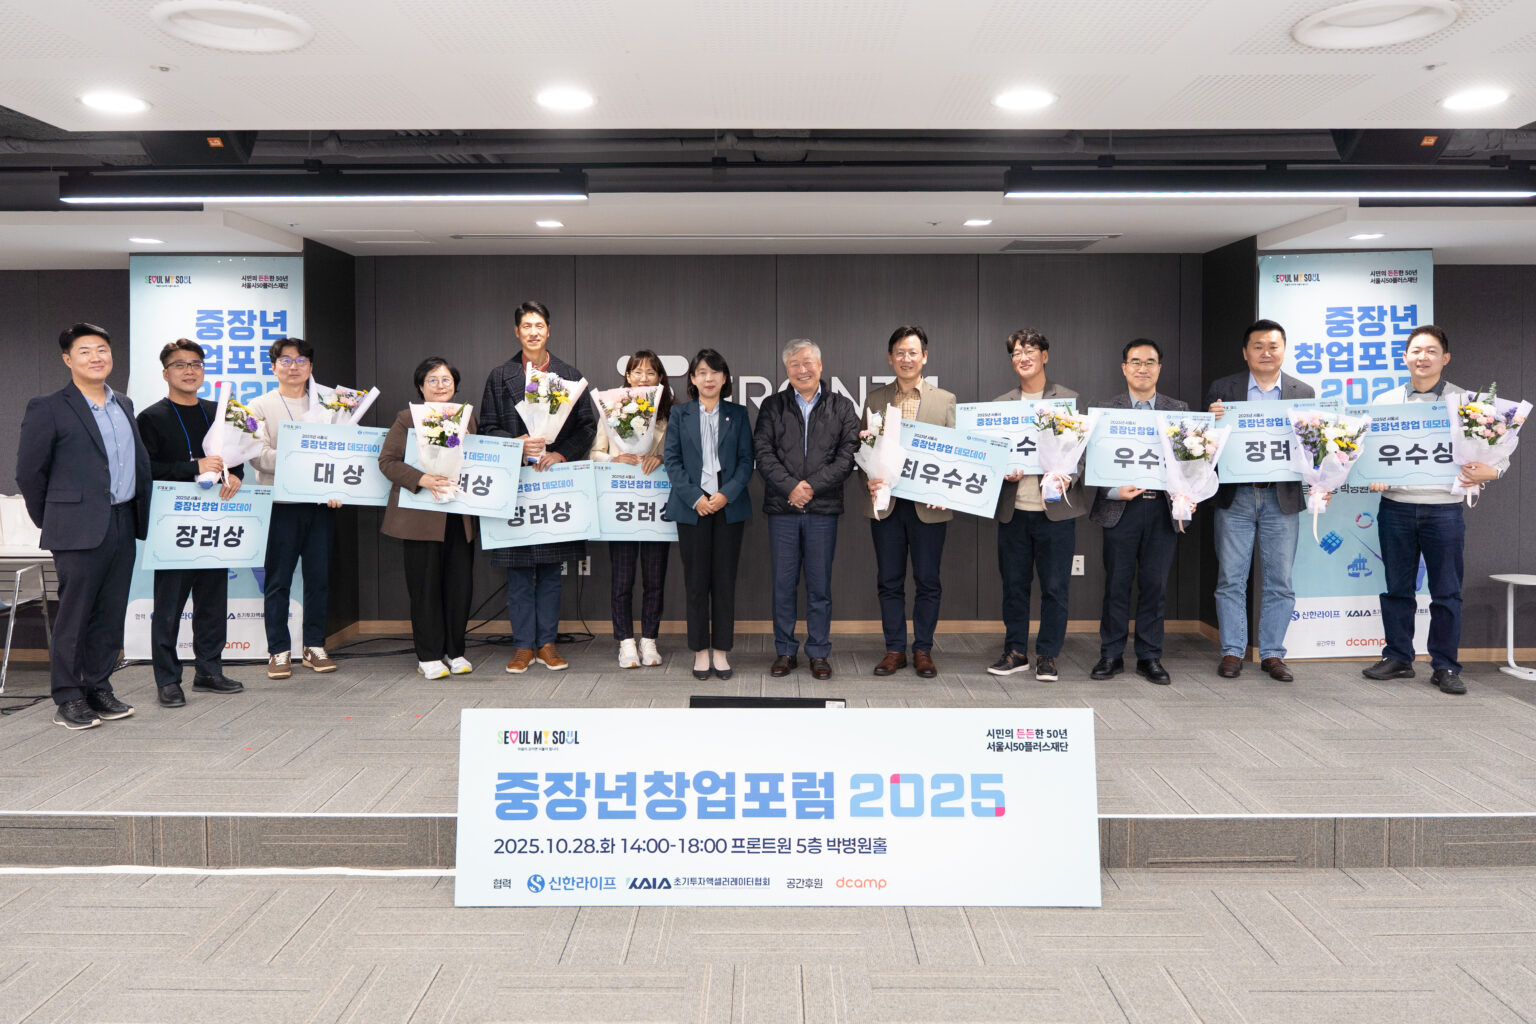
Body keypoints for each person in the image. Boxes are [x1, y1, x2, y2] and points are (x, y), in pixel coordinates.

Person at [16, 323, 151, 729]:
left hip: (123, 520)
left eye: (102, 349)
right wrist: (55, 520)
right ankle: (67, 696)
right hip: (76, 528)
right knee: (75, 615)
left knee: (110, 613)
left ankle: (97, 686)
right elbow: (29, 473)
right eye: (85, 351)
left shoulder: (123, 403)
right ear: (67, 359)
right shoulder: (48, 406)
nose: (96, 357)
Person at [1362, 324, 1504, 695]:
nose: (1422, 357)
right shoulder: (1385, 401)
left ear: (1445, 358)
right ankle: (1398, 657)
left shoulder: (1468, 404)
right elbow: (1365, 451)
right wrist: (1373, 473)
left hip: (1444, 511)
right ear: (1405, 357)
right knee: (1397, 589)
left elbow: (1496, 454)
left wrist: (1490, 471)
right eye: (1416, 351)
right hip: (1396, 507)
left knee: (1446, 592)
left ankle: (1445, 666)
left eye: (1431, 351)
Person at [479, 300, 596, 673]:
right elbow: (487, 427)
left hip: (555, 482)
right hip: (515, 483)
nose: (533, 332)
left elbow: (587, 427)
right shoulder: (500, 376)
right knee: (517, 572)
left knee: (550, 570)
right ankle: (521, 646)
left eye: (539, 325)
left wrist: (561, 453)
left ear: (548, 331)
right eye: (526, 326)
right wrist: (516, 444)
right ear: (517, 331)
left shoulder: (569, 375)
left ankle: (546, 643)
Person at [135, 338, 246, 708]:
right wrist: (192, 467)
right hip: (173, 525)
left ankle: (209, 671)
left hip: (216, 521)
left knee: (213, 600)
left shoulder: (218, 411)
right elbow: (145, 470)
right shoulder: (151, 417)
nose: (189, 371)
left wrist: (236, 476)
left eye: (196, 364)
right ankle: (168, 680)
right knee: (169, 606)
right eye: (180, 365)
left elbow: (236, 458)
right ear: (165, 373)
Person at [1206, 318, 1314, 683]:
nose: (1266, 352)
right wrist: (1210, 421)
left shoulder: (1303, 392)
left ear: (1284, 350)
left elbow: (1313, 445)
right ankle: (1232, 650)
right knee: (1230, 578)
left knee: (1280, 580)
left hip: (1281, 497)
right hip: (1235, 496)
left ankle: (1272, 654)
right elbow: (1207, 444)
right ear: (1245, 352)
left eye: (1273, 346)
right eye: (1258, 346)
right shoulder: (1223, 388)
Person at [753, 339, 860, 680]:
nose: (802, 369)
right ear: (786, 370)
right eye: (794, 364)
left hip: (822, 510)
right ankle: (785, 651)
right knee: (783, 585)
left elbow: (848, 455)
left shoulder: (842, 407)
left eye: (808, 362)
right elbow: (763, 452)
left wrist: (811, 487)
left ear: (820, 365)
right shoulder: (772, 406)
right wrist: (791, 488)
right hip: (783, 510)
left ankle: (818, 651)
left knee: (819, 586)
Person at [857, 325, 957, 679]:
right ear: (890, 358)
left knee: (928, 580)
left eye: (913, 352)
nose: (906, 358)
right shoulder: (875, 399)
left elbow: (955, 455)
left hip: (929, 506)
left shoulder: (945, 400)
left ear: (924, 357)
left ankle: (923, 649)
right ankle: (895, 650)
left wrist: (945, 492)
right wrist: (869, 481)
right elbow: (863, 450)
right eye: (899, 352)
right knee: (889, 580)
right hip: (887, 505)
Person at [987, 328, 1086, 682]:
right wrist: (1001, 470)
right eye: (1016, 353)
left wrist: (1067, 476)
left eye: (1030, 350)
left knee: (1055, 588)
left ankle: (1047, 654)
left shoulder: (1067, 400)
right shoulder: (1000, 406)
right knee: (1014, 586)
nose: (1023, 357)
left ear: (1045, 355)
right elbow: (990, 455)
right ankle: (1015, 651)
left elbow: (1081, 452)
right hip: (1014, 510)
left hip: (1055, 512)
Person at [1089, 338, 1189, 685]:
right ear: (1124, 368)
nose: (1142, 368)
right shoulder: (1104, 409)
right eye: (1135, 362)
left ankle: (1149, 656)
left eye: (1150, 362)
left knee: (1154, 586)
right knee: (1116, 584)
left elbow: (1193, 461)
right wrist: (1113, 490)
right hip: (1120, 508)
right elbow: (1089, 460)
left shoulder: (1179, 410)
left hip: (1162, 509)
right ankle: (1111, 654)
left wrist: (1188, 493)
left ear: (1160, 368)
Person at [379, 357, 478, 680]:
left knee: (459, 587)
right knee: (425, 588)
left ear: (455, 385)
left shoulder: (467, 418)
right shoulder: (407, 418)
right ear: (421, 387)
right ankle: (429, 655)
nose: (440, 385)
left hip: (458, 516)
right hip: (421, 515)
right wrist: (422, 479)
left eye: (446, 379)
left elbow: (480, 460)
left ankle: (455, 651)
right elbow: (387, 461)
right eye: (432, 380)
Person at [249, 336, 341, 679]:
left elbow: (344, 451)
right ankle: (278, 650)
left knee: (319, 579)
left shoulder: (331, 404)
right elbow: (257, 456)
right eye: (285, 361)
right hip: (281, 504)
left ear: (311, 367)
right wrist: (304, 457)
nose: (293, 367)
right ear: (273, 368)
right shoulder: (258, 406)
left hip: (320, 505)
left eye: (301, 360)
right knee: (278, 580)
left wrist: (337, 486)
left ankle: (314, 645)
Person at [664, 348, 753, 681]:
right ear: (692, 379)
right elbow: (672, 461)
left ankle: (722, 651)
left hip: (728, 506)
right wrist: (695, 498)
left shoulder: (738, 414)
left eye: (715, 372)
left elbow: (746, 461)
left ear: (724, 378)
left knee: (724, 582)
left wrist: (726, 494)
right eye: (701, 372)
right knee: (696, 582)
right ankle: (701, 651)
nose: (709, 378)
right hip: (693, 508)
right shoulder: (680, 414)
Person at [590, 349, 673, 669]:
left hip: (655, 507)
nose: (643, 378)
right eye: (637, 372)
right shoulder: (611, 409)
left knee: (655, 578)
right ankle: (625, 641)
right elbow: (594, 453)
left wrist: (661, 458)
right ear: (627, 376)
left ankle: (649, 639)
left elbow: (679, 455)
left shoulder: (669, 413)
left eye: (650, 372)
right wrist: (615, 458)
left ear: (660, 378)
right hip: (621, 505)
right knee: (622, 579)